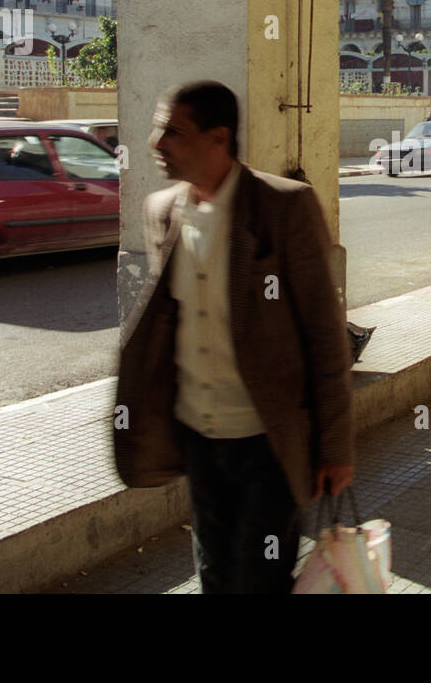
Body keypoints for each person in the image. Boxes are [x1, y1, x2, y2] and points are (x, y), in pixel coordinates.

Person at [113, 80, 354, 594]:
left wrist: (334, 446)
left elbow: (325, 336)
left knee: (260, 578)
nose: (156, 142)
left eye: (173, 130)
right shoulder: (162, 212)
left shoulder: (284, 208)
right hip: (200, 442)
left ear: (218, 138)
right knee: (216, 575)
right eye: (159, 128)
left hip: (266, 442)